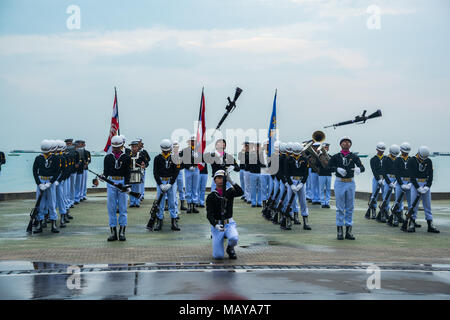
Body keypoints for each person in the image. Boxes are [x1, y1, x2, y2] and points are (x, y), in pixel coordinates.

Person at [327, 136, 365, 240]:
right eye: (344, 142)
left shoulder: (354, 156)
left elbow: (362, 167)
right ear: (340, 144)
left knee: (350, 207)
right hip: (339, 182)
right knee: (339, 207)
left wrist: (359, 169)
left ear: (350, 145)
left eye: (348, 142)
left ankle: (349, 231)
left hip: (350, 182)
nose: (346, 143)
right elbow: (328, 168)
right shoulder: (335, 157)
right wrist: (336, 169)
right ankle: (339, 230)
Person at [206, 170, 244, 260]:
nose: (221, 180)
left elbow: (240, 192)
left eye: (223, 178)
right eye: (218, 178)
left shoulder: (229, 192)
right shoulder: (211, 196)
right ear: (215, 180)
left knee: (234, 238)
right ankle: (220, 239)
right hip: (217, 225)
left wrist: (231, 181)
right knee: (218, 256)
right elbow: (209, 215)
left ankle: (230, 248)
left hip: (228, 223)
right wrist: (215, 225)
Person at [102, 135, 131, 241]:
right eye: (114, 147)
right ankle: (113, 232)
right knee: (111, 208)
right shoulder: (108, 157)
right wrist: (102, 177)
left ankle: (122, 231)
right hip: (111, 183)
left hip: (122, 183)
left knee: (123, 208)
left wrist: (127, 185)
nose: (116, 149)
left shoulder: (127, 157)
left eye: (118, 147)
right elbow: (106, 172)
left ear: (122, 146)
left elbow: (128, 172)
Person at [405, 146, 439, 233]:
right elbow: (411, 175)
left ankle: (430, 224)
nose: (423, 159)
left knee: (428, 205)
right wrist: (417, 187)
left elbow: (430, 175)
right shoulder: (412, 160)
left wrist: (428, 186)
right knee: (413, 205)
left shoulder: (428, 161)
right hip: (415, 184)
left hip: (425, 184)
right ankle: (412, 223)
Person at [32, 140, 60, 233]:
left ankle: (54, 224)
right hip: (41, 181)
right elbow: (35, 171)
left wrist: (50, 183)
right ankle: (40, 224)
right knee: (40, 204)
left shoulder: (55, 158)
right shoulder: (38, 158)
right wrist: (39, 183)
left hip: (50, 182)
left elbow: (57, 172)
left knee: (52, 203)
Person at [153, 139, 180, 231]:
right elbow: (155, 172)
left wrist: (170, 184)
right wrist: (160, 184)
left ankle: (174, 221)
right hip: (161, 181)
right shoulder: (157, 158)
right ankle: (159, 220)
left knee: (172, 202)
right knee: (160, 202)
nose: (166, 151)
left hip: (170, 181)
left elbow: (176, 172)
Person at [284, 142, 311, 230]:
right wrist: (291, 184)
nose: (296, 151)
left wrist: (302, 183)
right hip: (291, 180)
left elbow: (306, 173)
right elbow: (286, 173)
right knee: (290, 202)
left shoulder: (304, 159)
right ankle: (288, 220)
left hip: (300, 181)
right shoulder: (288, 159)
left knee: (303, 201)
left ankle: (305, 221)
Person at [379, 144, 400, 222]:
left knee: (398, 198)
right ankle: (384, 213)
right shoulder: (385, 159)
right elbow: (384, 172)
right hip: (388, 178)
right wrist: (389, 182)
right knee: (386, 198)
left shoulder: (398, 159)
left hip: (396, 178)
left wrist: (398, 180)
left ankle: (397, 214)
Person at [392, 142, 412, 225]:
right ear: (401, 150)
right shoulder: (398, 160)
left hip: (409, 182)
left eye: (407, 151)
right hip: (400, 182)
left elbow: (412, 172)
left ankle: (411, 219)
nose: (405, 153)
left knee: (411, 202)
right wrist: (401, 184)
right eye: (404, 151)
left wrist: (410, 183)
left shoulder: (411, 159)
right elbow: (396, 173)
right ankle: (396, 217)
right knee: (398, 201)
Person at [180, 135, 200, 213]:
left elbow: (202, 160)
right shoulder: (185, 150)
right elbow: (181, 160)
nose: (193, 142)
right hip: (188, 170)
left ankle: (194, 205)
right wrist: (188, 167)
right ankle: (188, 205)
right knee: (188, 188)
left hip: (196, 169)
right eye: (191, 141)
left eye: (194, 141)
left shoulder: (198, 151)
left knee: (195, 188)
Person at [368, 142, 386, 219]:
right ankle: (373, 210)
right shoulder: (373, 159)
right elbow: (374, 170)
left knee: (385, 196)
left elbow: (387, 170)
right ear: (377, 150)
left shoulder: (386, 159)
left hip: (385, 179)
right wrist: (378, 179)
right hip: (376, 178)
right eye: (379, 150)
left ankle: (384, 211)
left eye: (382, 150)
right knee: (374, 195)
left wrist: (385, 179)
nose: (381, 151)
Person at [128, 140, 146, 208]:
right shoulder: (128, 155)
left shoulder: (141, 155)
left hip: (138, 172)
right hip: (131, 172)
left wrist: (144, 165)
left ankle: (137, 202)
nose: (133, 148)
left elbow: (146, 162)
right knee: (131, 188)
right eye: (132, 147)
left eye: (135, 147)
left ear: (137, 147)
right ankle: (132, 202)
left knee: (137, 188)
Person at [248, 142, 264, 207]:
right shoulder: (251, 154)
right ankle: (253, 202)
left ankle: (259, 202)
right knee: (253, 188)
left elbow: (263, 163)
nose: (257, 148)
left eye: (258, 146)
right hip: (253, 173)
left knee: (260, 188)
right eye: (256, 146)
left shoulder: (262, 154)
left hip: (260, 173)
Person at [172, 141, 187, 211]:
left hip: (180, 172)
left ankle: (182, 204)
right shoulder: (171, 155)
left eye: (177, 147)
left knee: (181, 188)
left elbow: (184, 163)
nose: (176, 148)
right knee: (173, 189)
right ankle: (169, 204)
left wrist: (180, 167)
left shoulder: (180, 155)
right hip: (173, 173)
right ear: (172, 147)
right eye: (174, 147)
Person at [318, 143, 332, 208]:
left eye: (327, 147)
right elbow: (316, 164)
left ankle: (327, 202)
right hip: (322, 174)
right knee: (321, 189)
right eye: (325, 147)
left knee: (328, 189)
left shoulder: (331, 157)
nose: (326, 149)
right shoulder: (319, 156)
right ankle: (322, 202)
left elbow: (333, 166)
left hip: (329, 174)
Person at [260, 140, 273, 209]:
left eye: (268, 145)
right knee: (263, 189)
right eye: (266, 145)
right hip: (263, 173)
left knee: (271, 188)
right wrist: (265, 165)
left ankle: (270, 203)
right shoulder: (261, 153)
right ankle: (264, 203)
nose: (267, 146)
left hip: (270, 173)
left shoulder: (272, 153)